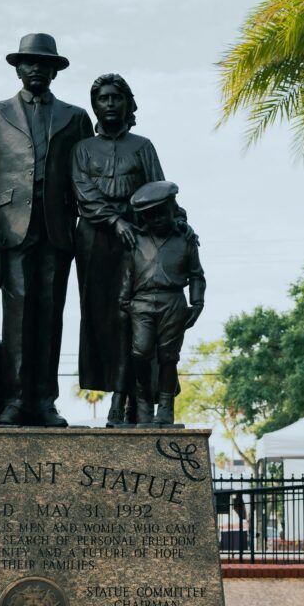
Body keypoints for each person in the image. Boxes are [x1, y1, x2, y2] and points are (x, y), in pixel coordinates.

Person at [0, 33, 93, 426]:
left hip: (58, 229)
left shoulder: (75, 118)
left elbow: (88, 174)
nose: (36, 68)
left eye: (44, 62)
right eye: (29, 62)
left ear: (55, 70)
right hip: (12, 230)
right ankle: (16, 399)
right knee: (17, 315)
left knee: (51, 316)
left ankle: (45, 401)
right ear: (18, 68)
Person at [71, 73, 166, 426]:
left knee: (134, 318)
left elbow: (158, 189)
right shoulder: (82, 149)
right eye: (103, 99)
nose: (109, 104)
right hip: (95, 239)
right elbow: (84, 193)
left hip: (138, 239)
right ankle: (112, 389)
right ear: (94, 105)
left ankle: (128, 399)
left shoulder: (143, 146)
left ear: (127, 103)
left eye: (116, 98)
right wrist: (115, 221)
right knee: (101, 319)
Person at [119, 181, 206, 425]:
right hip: (142, 303)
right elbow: (128, 272)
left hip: (173, 301)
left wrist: (197, 304)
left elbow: (197, 275)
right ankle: (143, 402)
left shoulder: (185, 239)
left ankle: (166, 407)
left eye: (161, 212)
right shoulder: (136, 240)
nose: (156, 218)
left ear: (172, 209)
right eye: (150, 214)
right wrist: (124, 301)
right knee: (140, 353)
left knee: (169, 356)